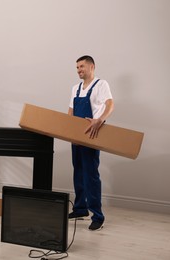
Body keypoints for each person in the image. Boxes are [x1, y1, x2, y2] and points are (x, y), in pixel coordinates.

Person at [67, 55, 114, 231]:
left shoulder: (101, 85)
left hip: (92, 135)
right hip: (76, 136)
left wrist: (99, 120)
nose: (79, 70)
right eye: (77, 67)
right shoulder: (75, 88)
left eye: (82, 67)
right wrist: (69, 132)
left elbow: (110, 105)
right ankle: (80, 209)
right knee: (78, 172)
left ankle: (98, 216)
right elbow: (70, 112)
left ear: (92, 67)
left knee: (91, 175)